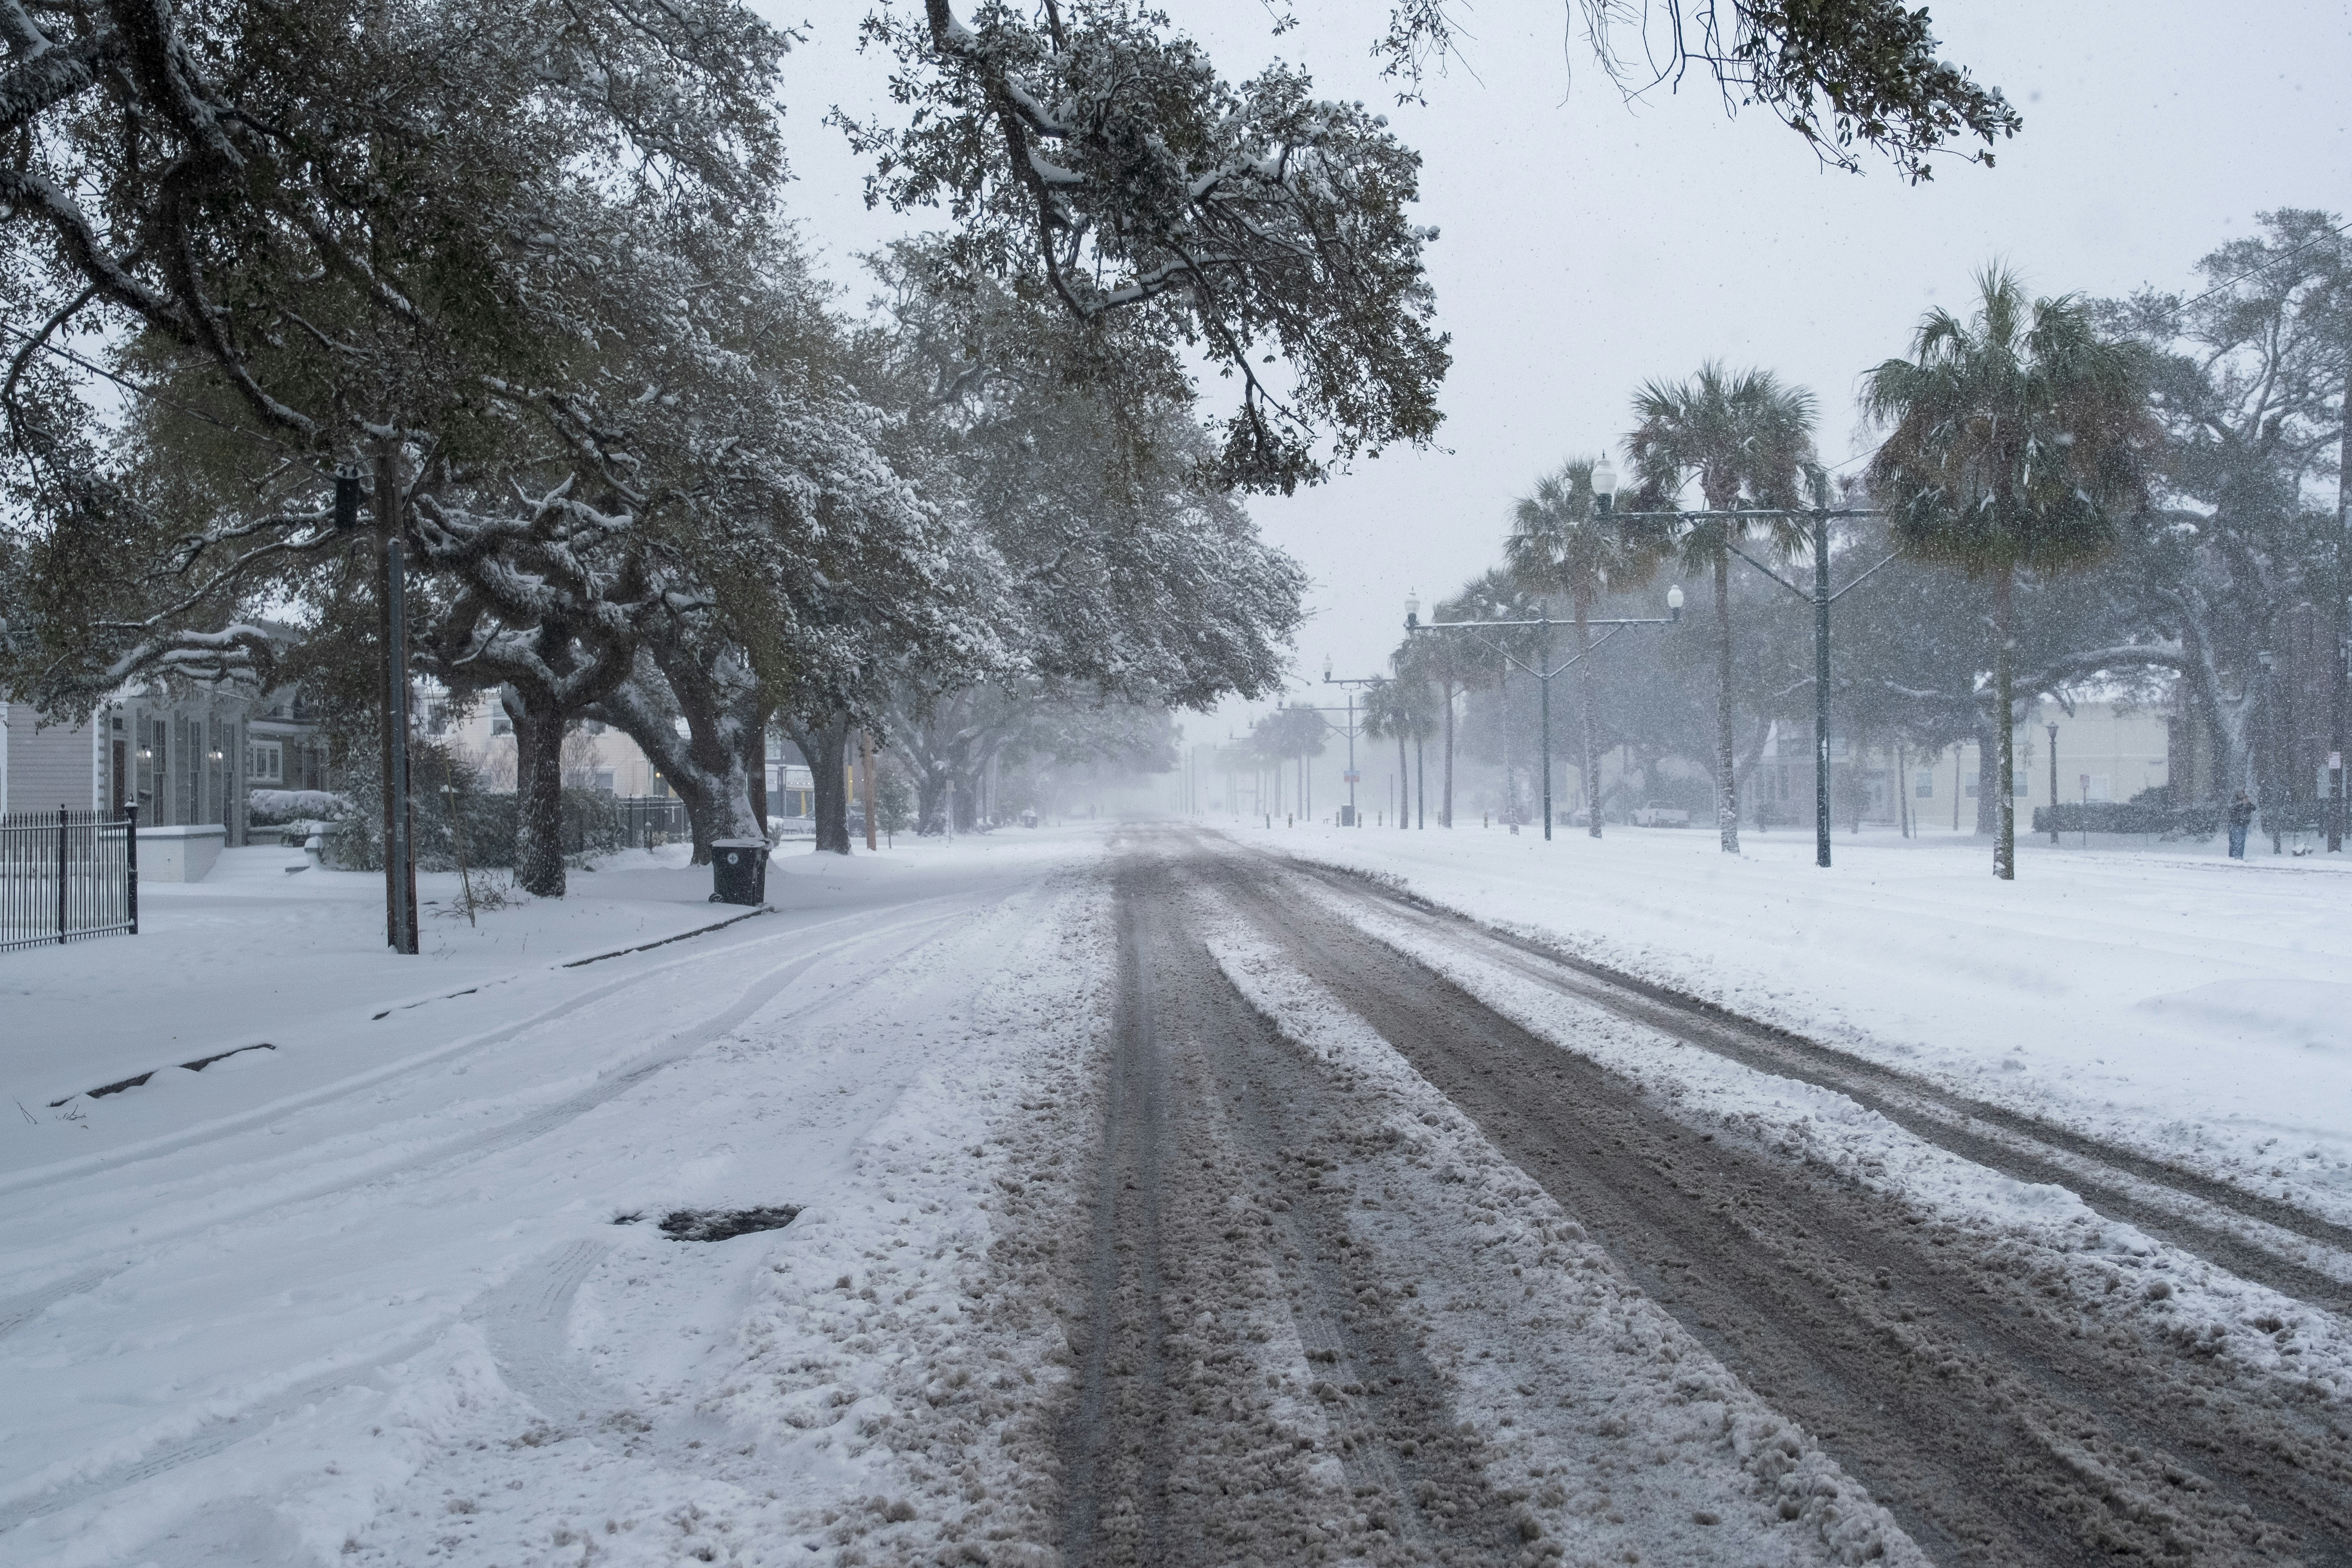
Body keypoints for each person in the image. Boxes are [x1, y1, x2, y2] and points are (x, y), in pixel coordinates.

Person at [2227, 790, 2255, 859]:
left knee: (2241, 841)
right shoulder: (2235, 802)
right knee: (2237, 840)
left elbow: (2253, 808)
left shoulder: (2247, 803)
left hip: (2244, 824)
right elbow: (2233, 809)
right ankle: (2236, 856)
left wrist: (2247, 804)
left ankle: (2238, 856)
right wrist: (2242, 804)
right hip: (2236, 824)